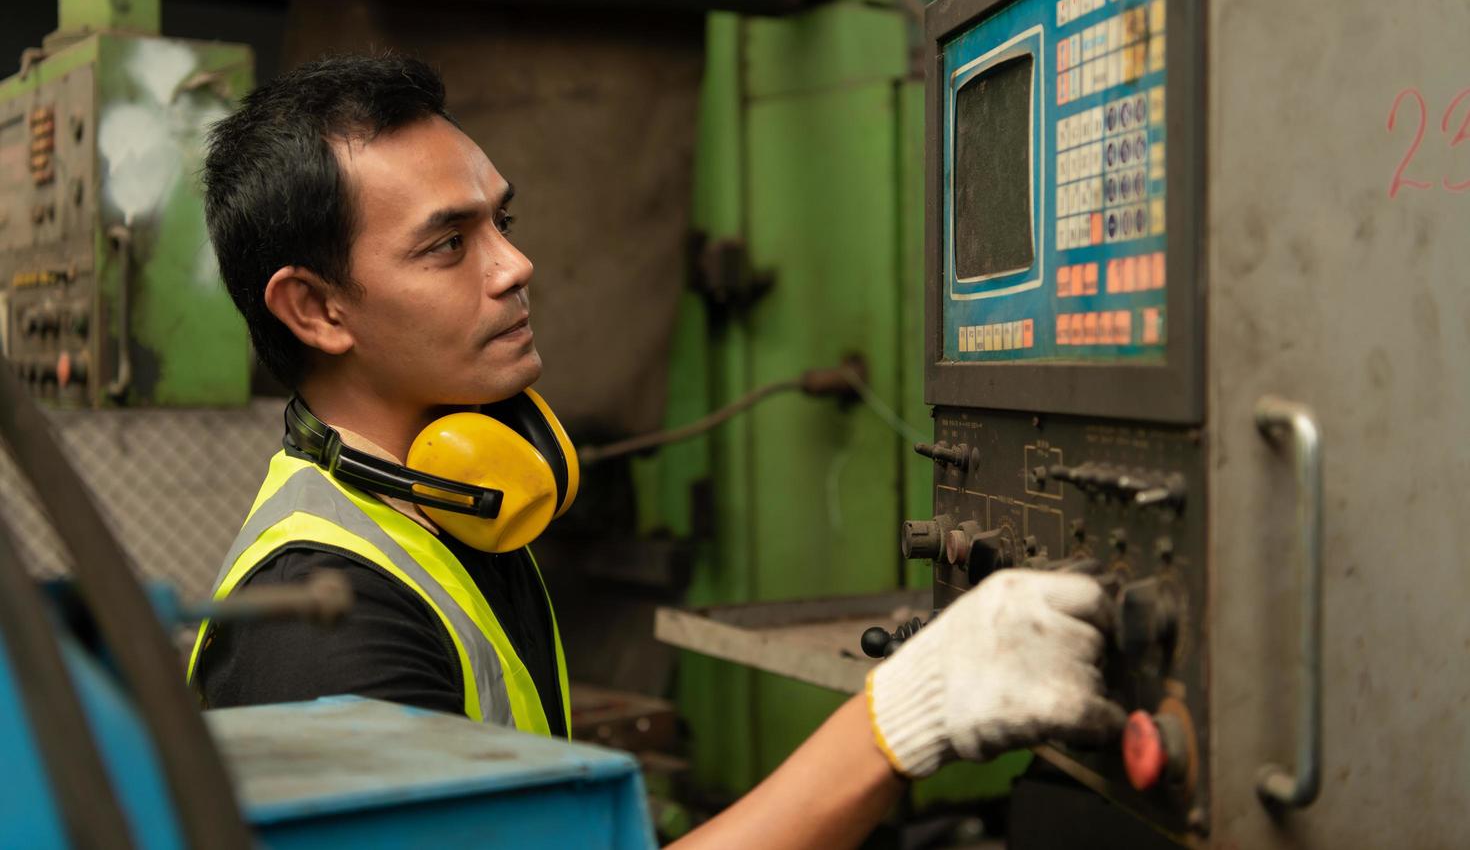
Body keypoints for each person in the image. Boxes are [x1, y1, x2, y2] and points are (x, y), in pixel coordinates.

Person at [189, 54, 1124, 848]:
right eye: (446, 245)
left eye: (500, 224)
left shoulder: (444, 507)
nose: (514, 268)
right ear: (315, 309)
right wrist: (901, 722)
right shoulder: (324, 633)